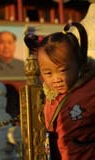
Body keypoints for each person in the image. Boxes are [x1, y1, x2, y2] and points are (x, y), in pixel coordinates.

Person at [24, 22, 95, 159]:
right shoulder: (51, 96)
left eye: (62, 70)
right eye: (48, 73)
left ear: (79, 64)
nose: (56, 79)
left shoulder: (90, 90)